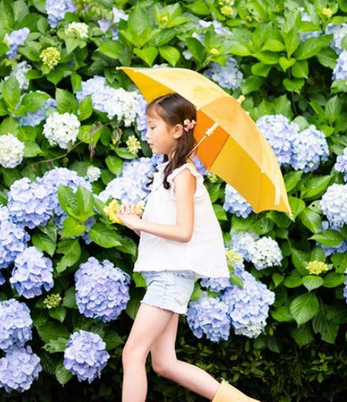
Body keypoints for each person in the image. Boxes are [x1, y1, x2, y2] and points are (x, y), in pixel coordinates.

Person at [117, 93, 258, 402]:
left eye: (153, 127)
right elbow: (169, 222)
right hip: (164, 275)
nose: (148, 134)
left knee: (132, 354)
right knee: (164, 363)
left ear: (177, 130)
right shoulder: (169, 171)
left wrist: (138, 225)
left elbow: (184, 231)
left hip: (170, 277)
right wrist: (137, 216)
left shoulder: (184, 175)